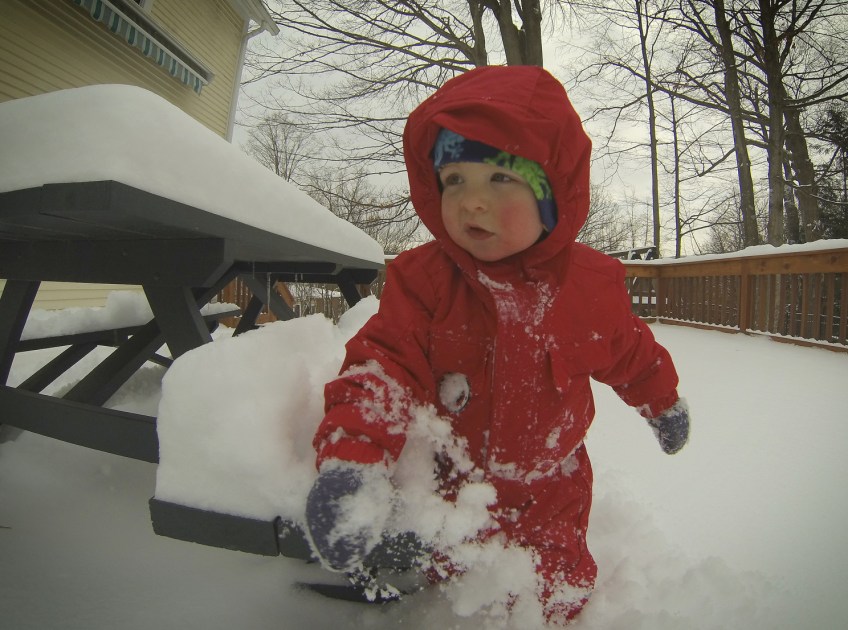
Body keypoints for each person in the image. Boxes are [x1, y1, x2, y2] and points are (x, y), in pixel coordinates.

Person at [304, 65, 690, 624]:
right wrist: (353, 463)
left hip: (552, 485)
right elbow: (383, 368)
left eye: (500, 178)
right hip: (455, 483)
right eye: (454, 180)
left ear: (552, 194)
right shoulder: (426, 281)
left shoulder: (588, 286)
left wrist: (662, 401)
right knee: (451, 588)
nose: (471, 202)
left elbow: (629, 351)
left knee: (555, 590)